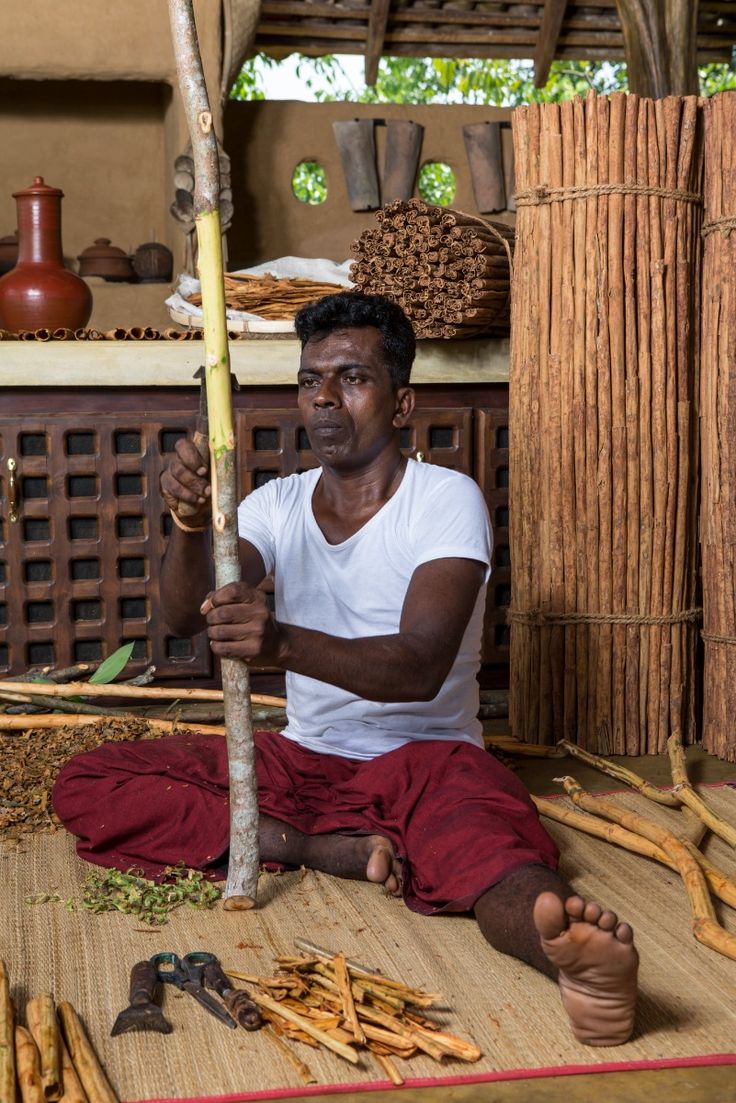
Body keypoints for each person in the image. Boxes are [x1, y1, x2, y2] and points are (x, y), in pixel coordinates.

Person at [53, 292, 638, 1047]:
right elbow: (180, 613)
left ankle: (569, 954)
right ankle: (301, 844)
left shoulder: (444, 499)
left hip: (429, 762)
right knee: (89, 783)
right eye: (309, 381)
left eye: (352, 378)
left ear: (402, 403)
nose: (323, 399)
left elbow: (420, 664)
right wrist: (192, 527)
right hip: (302, 765)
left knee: (494, 860)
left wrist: (284, 644)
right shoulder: (277, 504)